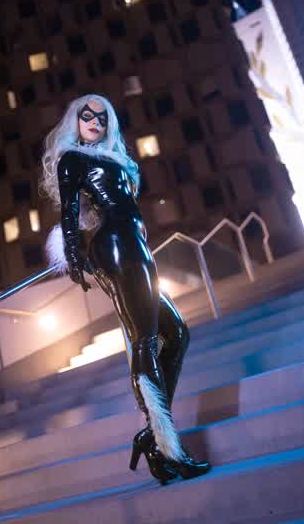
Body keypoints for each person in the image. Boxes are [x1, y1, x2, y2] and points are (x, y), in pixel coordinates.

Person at [40, 94, 211, 484]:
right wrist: (73, 256)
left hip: (137, 244)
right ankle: (169, 447)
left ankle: (152, 436)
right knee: (145, 339)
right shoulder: (72, 158)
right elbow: (69, 211)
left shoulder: (112, 157)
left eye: (102, 117)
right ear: (75, 120)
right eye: (87, 116)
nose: (95, 122)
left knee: (177, 333)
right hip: (115, 246)